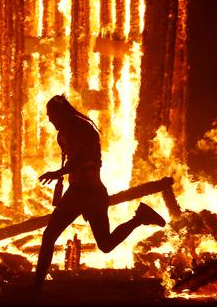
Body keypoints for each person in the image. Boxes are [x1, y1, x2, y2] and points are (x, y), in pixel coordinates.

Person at [34, 95, 166, 288]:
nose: (50, 120)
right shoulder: (67, 131)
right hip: (83, 191)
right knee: (100, 243)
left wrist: (59, 172)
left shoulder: (78, 128)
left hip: (87, 192)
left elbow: (83, 158)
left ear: (60, 113)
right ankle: (140, 218)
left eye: (51, 115)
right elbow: (78, 159)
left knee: (61, 238)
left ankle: (36, 287)